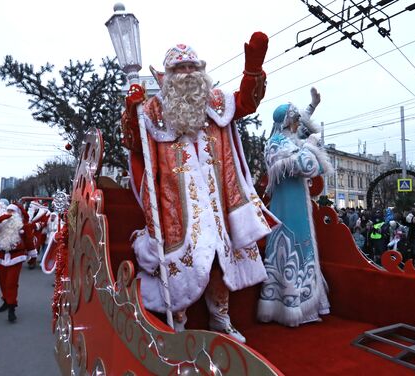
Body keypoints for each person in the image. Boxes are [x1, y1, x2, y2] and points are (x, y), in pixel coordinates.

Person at [121, 32, 278, 343]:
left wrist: (253, 69)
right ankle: (176, 319)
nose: (188, 74)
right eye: (180, 70)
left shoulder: (217, 101)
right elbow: (134, 143)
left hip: (217, 201)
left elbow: (246, 102)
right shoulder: (153, 110)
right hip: (175, 205)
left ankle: (220, 317)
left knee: (219, 258)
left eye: (193, 67)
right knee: (181, 261)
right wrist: (131, 109)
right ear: (166, 76)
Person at [257, 88, 333, 327]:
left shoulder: (288, 139)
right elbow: (306, 164)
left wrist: (313, 105)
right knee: (292, 245)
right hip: (287, 205)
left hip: (296, 202)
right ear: (288, 122)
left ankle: (307, 305)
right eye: (296, 119)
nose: (299, 123)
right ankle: (290, 307)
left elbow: (302, 133)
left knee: (303, 245)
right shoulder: (276, 143)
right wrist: (310, 146)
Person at [0, 203, 35, 322]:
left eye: (12, 211)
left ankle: (12, 307)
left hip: (16, 256)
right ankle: (6, 301)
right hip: (1, 255)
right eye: (8, 211)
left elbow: (28, 240)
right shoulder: (0, 223)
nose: (9, 214)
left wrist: (32, 255)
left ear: (17, 214)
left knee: (11, 283)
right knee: (2, 282)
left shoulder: (23, 225)